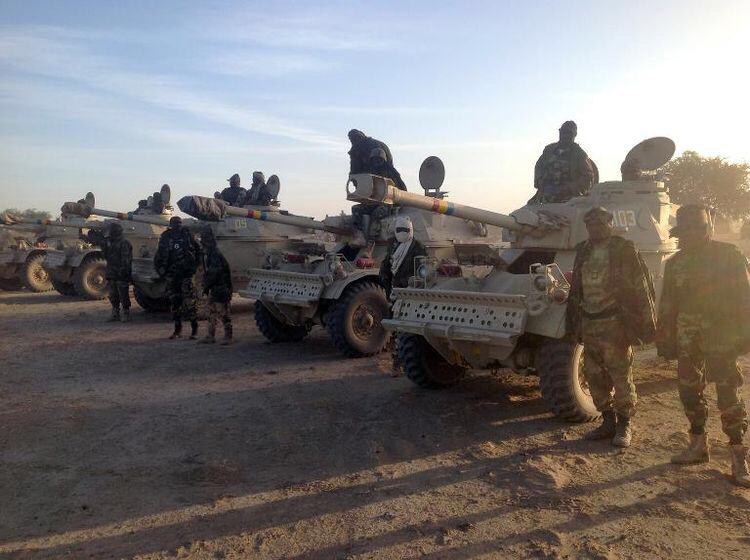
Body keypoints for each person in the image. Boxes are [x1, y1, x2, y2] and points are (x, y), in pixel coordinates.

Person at [656, 204, 750, 487]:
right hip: (687, 339)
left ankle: (738, 456)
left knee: (728, 395)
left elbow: (745, 297)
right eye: (686, 230)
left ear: (707, 228)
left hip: (722, 338)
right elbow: (668, 305)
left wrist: (746, 335)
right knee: (688, 391)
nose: (692, 235)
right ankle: (698, 446)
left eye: (698, 228)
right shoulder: (675, 263)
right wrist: (666, 340)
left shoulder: (729, 256)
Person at [567, 207, 656, 447]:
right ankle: (607, 422)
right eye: (591, 225)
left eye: (600, 224)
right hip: (589, 321)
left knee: (620, 374)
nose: (595, 228)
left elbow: (642, 287)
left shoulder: (623, 249)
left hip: (614, 322)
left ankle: (624, 425)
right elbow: (577, 288)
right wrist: (574, 323)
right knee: (594, 376)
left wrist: (647, 323)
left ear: (609, 224)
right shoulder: (583, 250)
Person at [154, 216, 201, 340]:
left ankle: (194, 330)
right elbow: (159, 255)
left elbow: (198, 251)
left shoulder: (188, 236)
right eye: (175, 223)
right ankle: (177, 330)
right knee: (175, 304)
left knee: (190, 303)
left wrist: (194, 268)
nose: (178, 225)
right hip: (172, 276)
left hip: (186, 275)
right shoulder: (166, 237)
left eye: (180, 223)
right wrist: (161, 271)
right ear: (171, 224)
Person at [533, 121, 596, 203]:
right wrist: (539, 180)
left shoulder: (579, 154)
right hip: (545, 197)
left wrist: (570, 188)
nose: (565, 135)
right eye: (563, 132)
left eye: (568, 133)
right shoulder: (549, 150)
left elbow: (588, 177)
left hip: (569, 200)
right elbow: (539, 167)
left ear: (574, 135)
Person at [85, 222, 133, 322]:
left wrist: (124, 271)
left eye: (111, 231)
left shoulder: (124, 243)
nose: (109, 233)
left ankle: (126, 313)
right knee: (113, 294)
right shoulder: (109, 242)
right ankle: (115, 313)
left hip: (121, 272)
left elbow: (126, 260)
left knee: (123, 294)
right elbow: (104, 254)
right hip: (112, 271)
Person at [199, 227, 233, 344]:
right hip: (215, 287)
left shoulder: (214, 254)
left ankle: (228, 336)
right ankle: (210, 335)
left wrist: (205, 285)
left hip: (221, 287)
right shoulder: (209, 253)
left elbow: (214, 272)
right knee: (211, 312)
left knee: (223, 312)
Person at [379, 215, 426, 298]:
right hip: (395, 287)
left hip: (410, 289)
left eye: (405, 230)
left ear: (410, 230)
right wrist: (385, 278)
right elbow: (387, 263)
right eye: (399, 230)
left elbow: (421, 269)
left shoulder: (418, 247)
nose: (402, 232)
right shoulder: (394, 245)